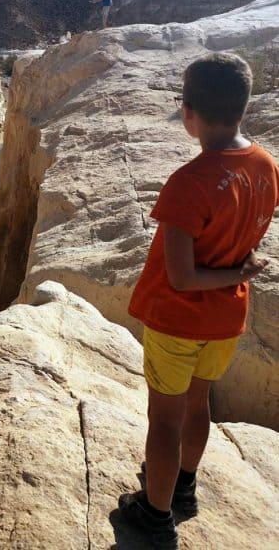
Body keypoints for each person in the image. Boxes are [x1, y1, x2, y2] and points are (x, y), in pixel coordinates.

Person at [120, 53, 279, 549]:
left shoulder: (188, 183)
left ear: (188, 112)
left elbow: (182, 278)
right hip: (226, 318)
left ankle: (155, 514)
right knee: (197, 405)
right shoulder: (266, 164)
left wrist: (235, 270)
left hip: (177, 320)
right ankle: (184, 486)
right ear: (243, 106)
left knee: (164, 421)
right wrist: (239, 272)